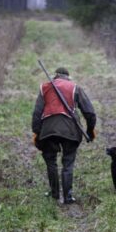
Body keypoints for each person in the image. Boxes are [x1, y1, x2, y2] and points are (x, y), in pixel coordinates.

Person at [32, 67, 96, 204]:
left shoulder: (45, 88)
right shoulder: (75, 88)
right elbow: (90, 113)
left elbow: (37, 113)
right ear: (68, 77)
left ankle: (54, 194)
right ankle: (68, 196)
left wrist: (37, 133)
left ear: (56, 76)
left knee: (51, 162)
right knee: (68, 163)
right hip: (70, 130)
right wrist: (90, 131)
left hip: (48, 130)